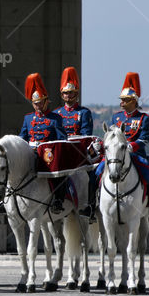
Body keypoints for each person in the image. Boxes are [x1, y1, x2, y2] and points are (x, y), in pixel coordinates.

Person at [95, 72, 149, 222]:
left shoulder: (144, 118)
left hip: (135, 154)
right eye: (122, 100)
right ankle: (92, 205)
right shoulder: (116, 117)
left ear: (133, 101)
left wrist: (131, 146)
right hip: (117, 154)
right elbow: (111, 136)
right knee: (97, 172)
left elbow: (144, 139)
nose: (122, 103)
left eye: (125, 100)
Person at [19, 72, 68, 214]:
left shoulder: (55, 118)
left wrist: (50, 148)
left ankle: (58, 200)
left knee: (60, 172)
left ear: (46, 101)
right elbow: (22, 137)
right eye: (35, 103)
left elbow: (61, 139)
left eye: (40, 102)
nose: (38, 105)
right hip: (30, 152)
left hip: (47, 155)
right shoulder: (28, 118)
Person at [54, 67, 97, 219]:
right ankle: (57, 200)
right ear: (62, 94)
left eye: (71, 93)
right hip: (62, 153)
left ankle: (91, 207)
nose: (68, 96)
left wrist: (72, 140)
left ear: (76, 94)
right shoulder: (57, 113)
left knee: (93, 175)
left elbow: (86, 134)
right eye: (65, 93)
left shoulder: (84, 113)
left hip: (78, 152)